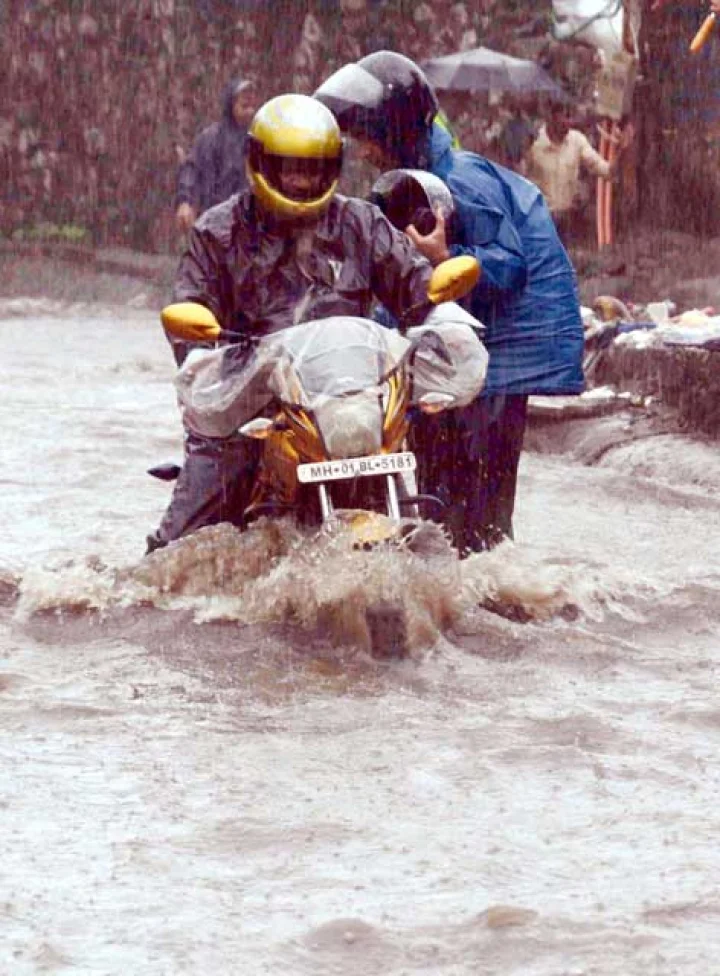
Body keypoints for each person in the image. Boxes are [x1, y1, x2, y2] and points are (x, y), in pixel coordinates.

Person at [314, 51, 584, 554]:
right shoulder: (410, 182)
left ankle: (489, 590)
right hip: (452, 355)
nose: (361, 151)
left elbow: (510, 267)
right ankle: (449, 587)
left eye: (366, 137)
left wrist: (445, 256)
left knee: (481, 515)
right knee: (436, 501)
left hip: (498, 363)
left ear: (393, 131)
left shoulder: (462, 181)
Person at [148, 93, 440, 552]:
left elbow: (415, 284)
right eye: (291, 168)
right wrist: (204, 361)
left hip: (351, 399)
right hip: (255, 406)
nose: (303, 180)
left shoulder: (361, 222)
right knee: (182, 543)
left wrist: (445, 317)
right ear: (262, 163)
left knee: (428, 494)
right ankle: (155, 575)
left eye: (314, 168)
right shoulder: (219, 232)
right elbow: (190, 306)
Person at [524, 101, 627, 244]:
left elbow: (606, 171)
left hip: (566, 221)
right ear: (551, 118)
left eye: (570, 117)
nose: (568, 122)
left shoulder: (577, 141)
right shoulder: (534, 143)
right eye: (564, 117)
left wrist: (622, 150)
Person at [174, 77, 258, 235]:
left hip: (249, 228)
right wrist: (185, 201)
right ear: (231, 104)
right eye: (244, 103)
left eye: (252, 104)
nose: (249, 108)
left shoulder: (258, 141)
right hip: (214, 224)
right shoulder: (211, 138)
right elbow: (191, 169)